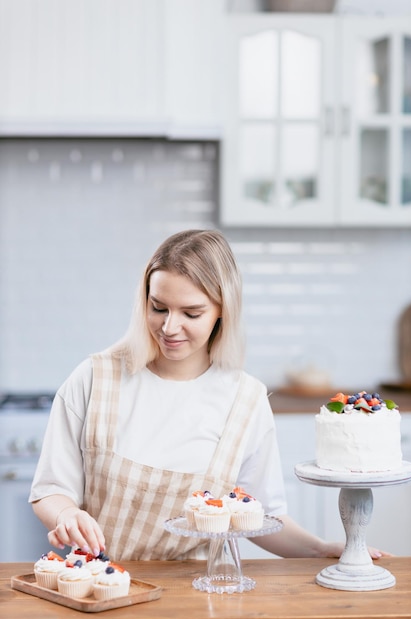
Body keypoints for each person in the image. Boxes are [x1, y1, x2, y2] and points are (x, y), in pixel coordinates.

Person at [30, 229, 388, 561]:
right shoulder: (94, 379)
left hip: (202, 597)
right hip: (101, 586)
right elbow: (50, 489)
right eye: (158, 308)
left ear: (222, 311)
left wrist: (320, 548)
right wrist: (66, 513)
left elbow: (260, 516)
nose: (169, 327)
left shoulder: (244, 400)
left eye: (191, 312)